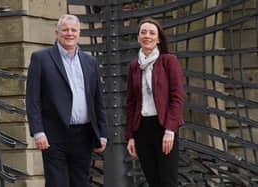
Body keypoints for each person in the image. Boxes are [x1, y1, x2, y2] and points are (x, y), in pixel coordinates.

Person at [26, 14, 108, 187]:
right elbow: (32, 99)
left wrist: (102, 133)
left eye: (73, 30)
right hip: (54, 134)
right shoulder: (41, 58)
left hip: (84, 134)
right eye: (65, 30)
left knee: (81, 182)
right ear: (57, 33)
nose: (69, 33)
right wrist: (38, 131)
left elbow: (98, 100)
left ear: (79, 33)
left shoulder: (90, 61)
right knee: (57, 183)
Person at [125, 18, 184, 187]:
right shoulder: (134, 66)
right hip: (142, 129)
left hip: (164, 127)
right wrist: (130, 136)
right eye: (143, 32)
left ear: (158, 39)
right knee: (153, 180)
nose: (147, 36)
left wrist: (170, 130)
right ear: (138, 38)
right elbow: (131, 103)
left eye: (152, 33)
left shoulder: (168, 61)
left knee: (168, 181)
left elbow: (177, 97)